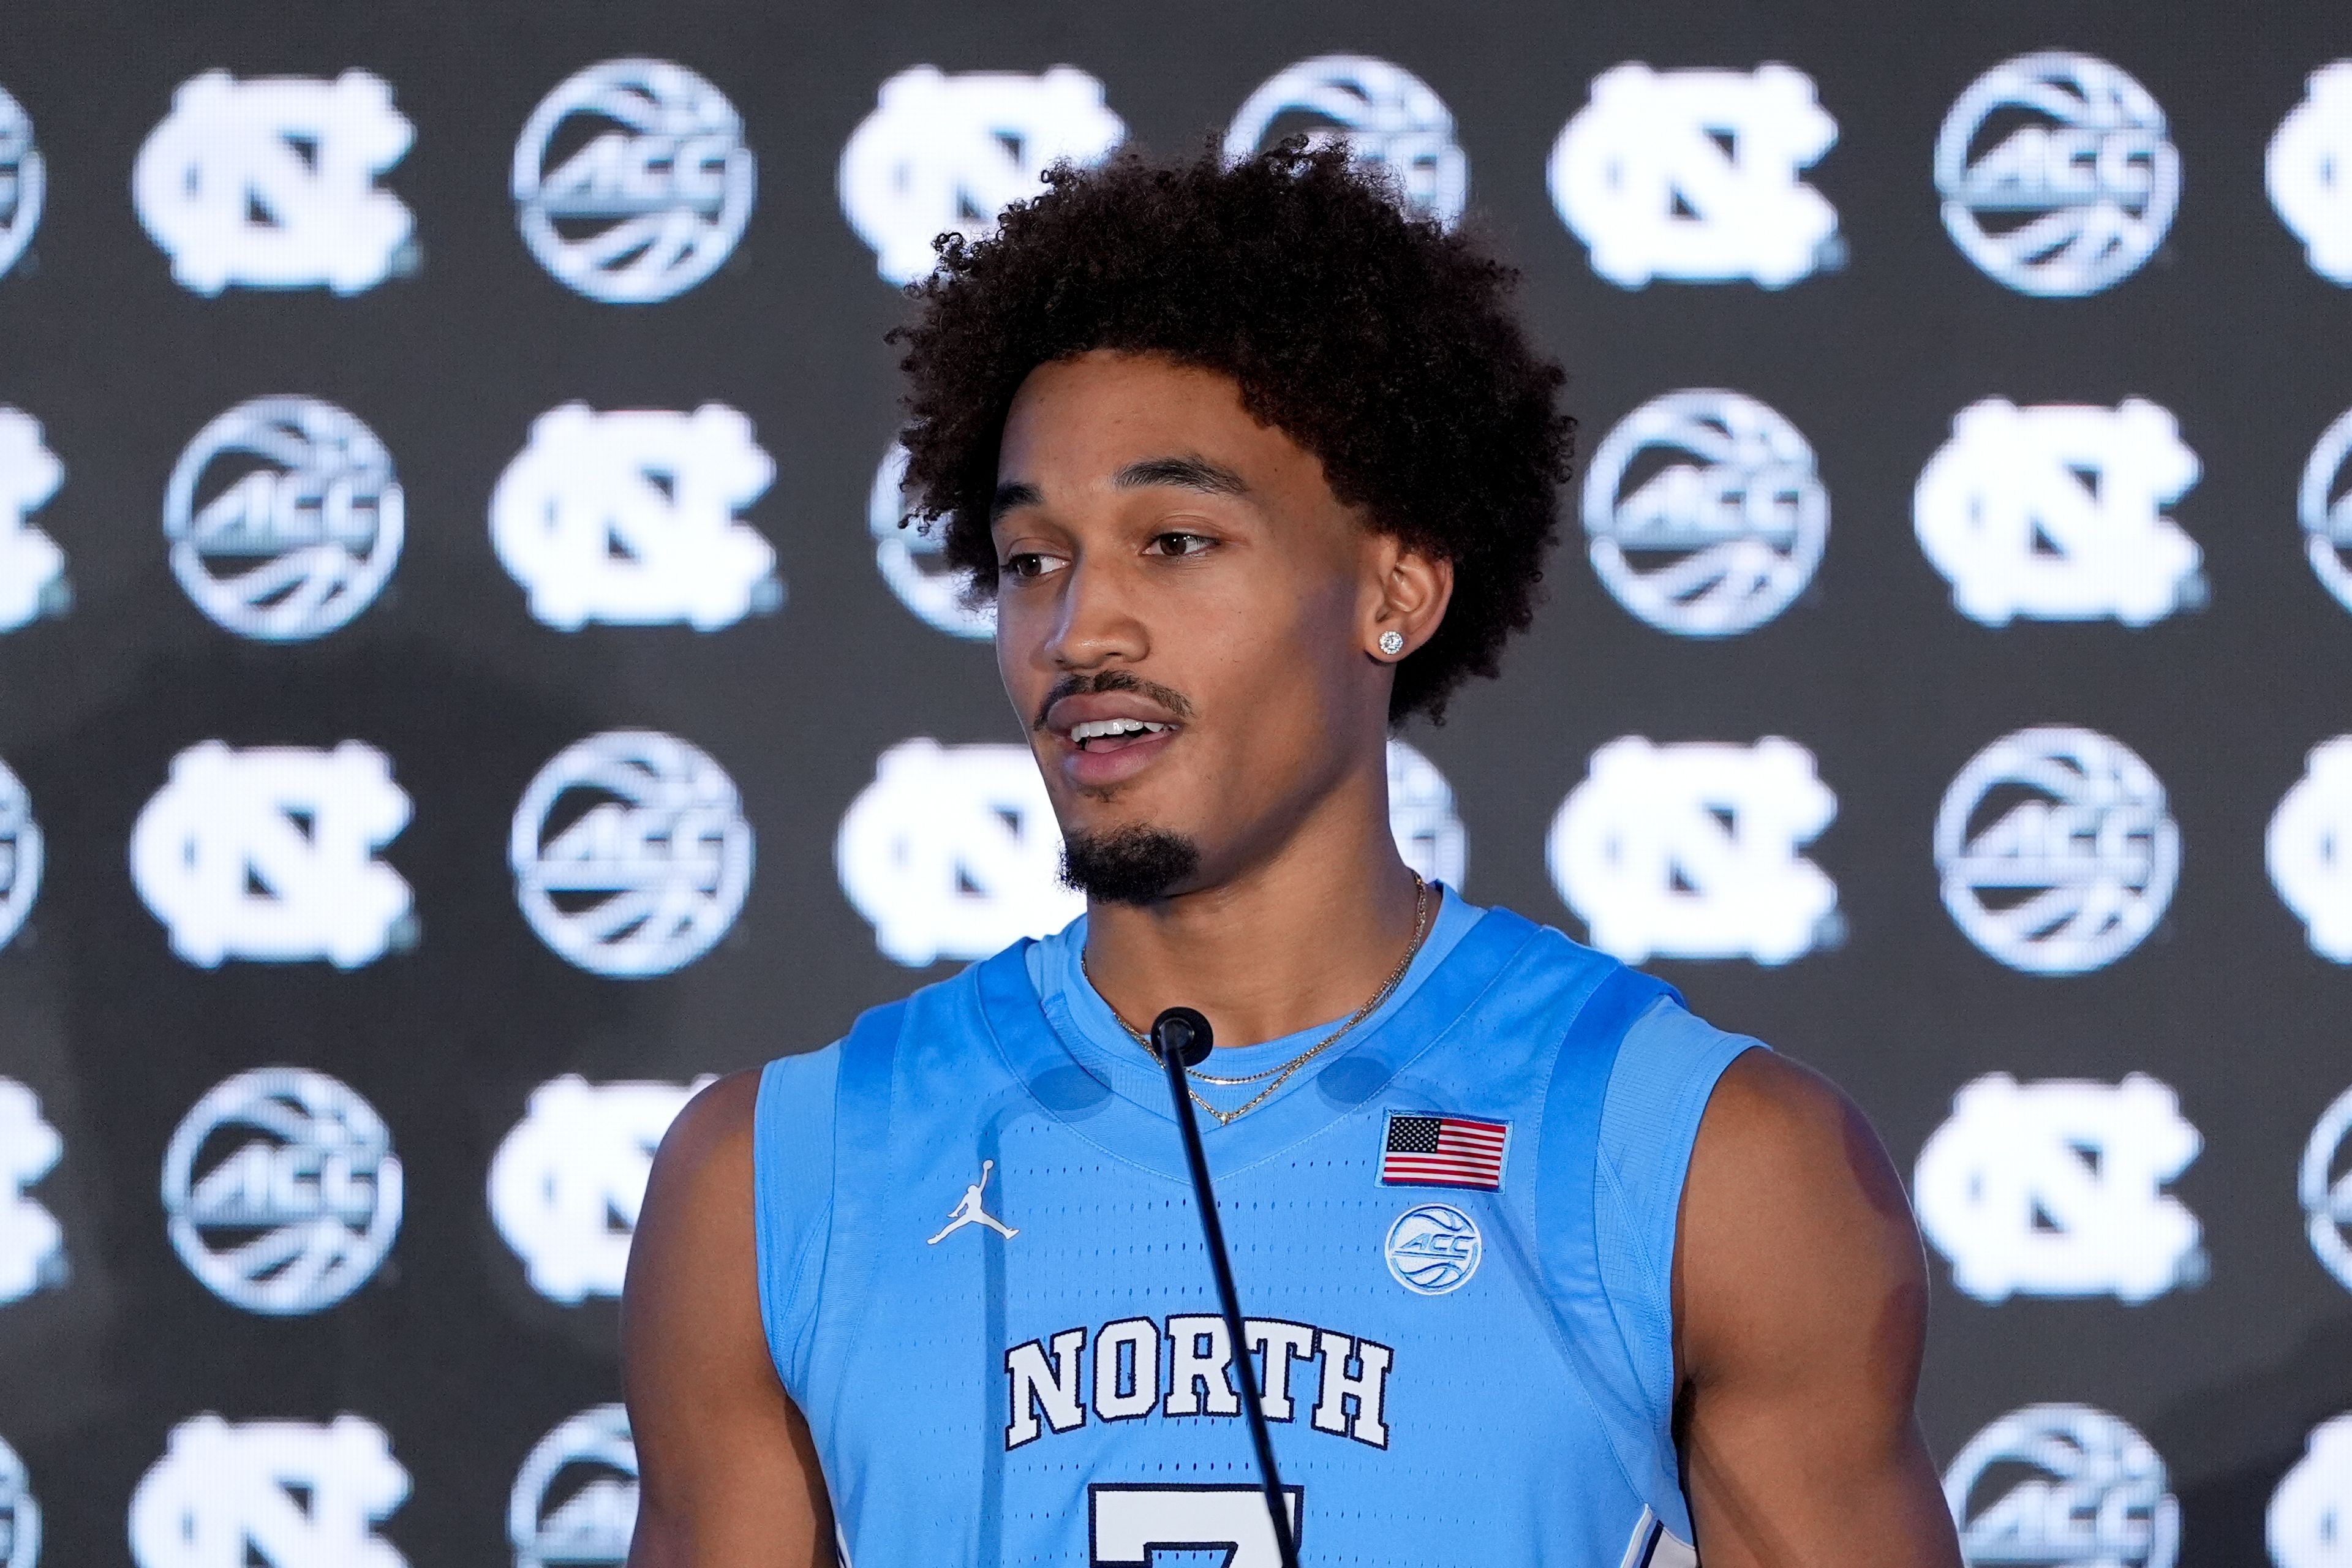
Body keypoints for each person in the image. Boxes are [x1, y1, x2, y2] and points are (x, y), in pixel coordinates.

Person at [621, 139, 1965, 1568]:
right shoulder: (773, 1178)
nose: (1081, 629)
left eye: (1178, 540)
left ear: (1396, 588)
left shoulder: (1717, 1162)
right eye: (1031, 560)